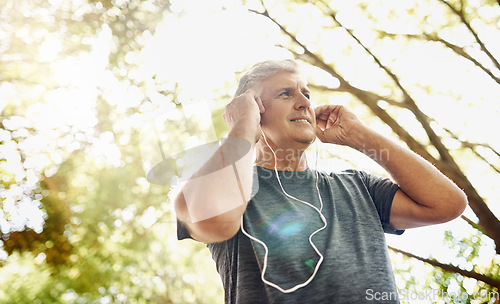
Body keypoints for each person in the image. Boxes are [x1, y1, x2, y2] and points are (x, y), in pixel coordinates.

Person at [174, 59, 467, 303]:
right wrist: (243, 124)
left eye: (306, 94)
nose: (304, 103)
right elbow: (212, 219)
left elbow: (447, 204)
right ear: (253, 109)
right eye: (285, 94)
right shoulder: (226, 183)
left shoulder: (358, 186)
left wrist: (358, 134)